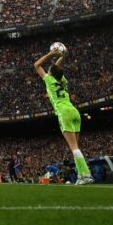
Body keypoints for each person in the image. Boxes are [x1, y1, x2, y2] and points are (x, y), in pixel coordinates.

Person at [34, 43, 93, 185]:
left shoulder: (49, 80)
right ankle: (81, 176)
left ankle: (86, 175)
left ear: (51, 73)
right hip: (74, 112)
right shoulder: (63, 80)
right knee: (76, 148)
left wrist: (51, 54)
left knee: (74, 148)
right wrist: (62, 55)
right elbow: (57, 66)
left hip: (63, 112)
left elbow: (37, 65)